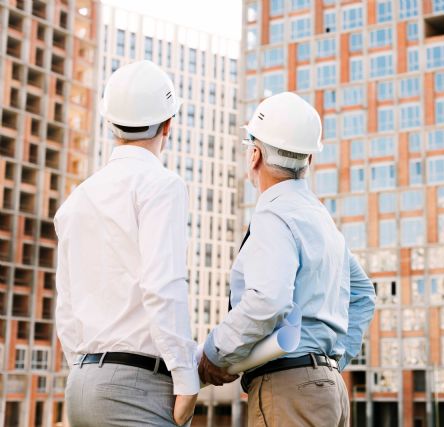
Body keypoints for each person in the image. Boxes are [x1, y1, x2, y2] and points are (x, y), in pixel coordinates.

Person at [198, 92, 376, 426]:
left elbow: (268, 299)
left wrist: (214, 353)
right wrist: (330, 363)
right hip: (329, 389)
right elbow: (364, 295)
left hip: (288, 388)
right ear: (309, 160)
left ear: (254, 155)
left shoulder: (274, 215)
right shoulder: (321, 219)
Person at [54, 60, 198, 426]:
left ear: (110, 124)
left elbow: (66, 308)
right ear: (169, 125)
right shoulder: (161, 186)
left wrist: (86, 371)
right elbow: (163, 286)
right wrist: (186, 378)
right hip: (136, 386)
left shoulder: (78, 198)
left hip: (82, 384)